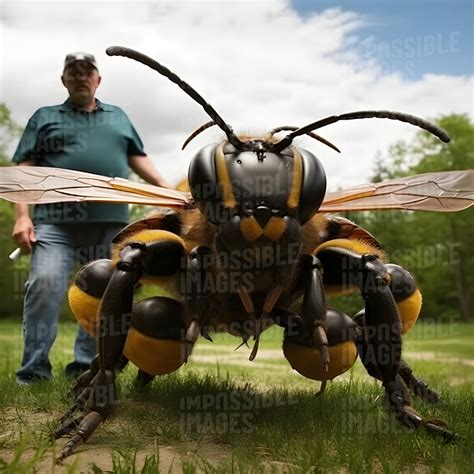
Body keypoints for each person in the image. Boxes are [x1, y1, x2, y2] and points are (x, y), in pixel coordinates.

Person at [12, 52, 169, 384]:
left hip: (111, 226)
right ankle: (33, 371)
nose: (81, 77)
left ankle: (86, 366)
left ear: (98, 79)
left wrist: (169, 194)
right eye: (73, 72)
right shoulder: (45, 116)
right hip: (55, 223)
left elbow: (138, 158)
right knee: (44, 284)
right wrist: (22, 217)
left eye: (87, 72)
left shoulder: (118, 117)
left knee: (103, 294)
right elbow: (24, 169)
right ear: (64, 79)